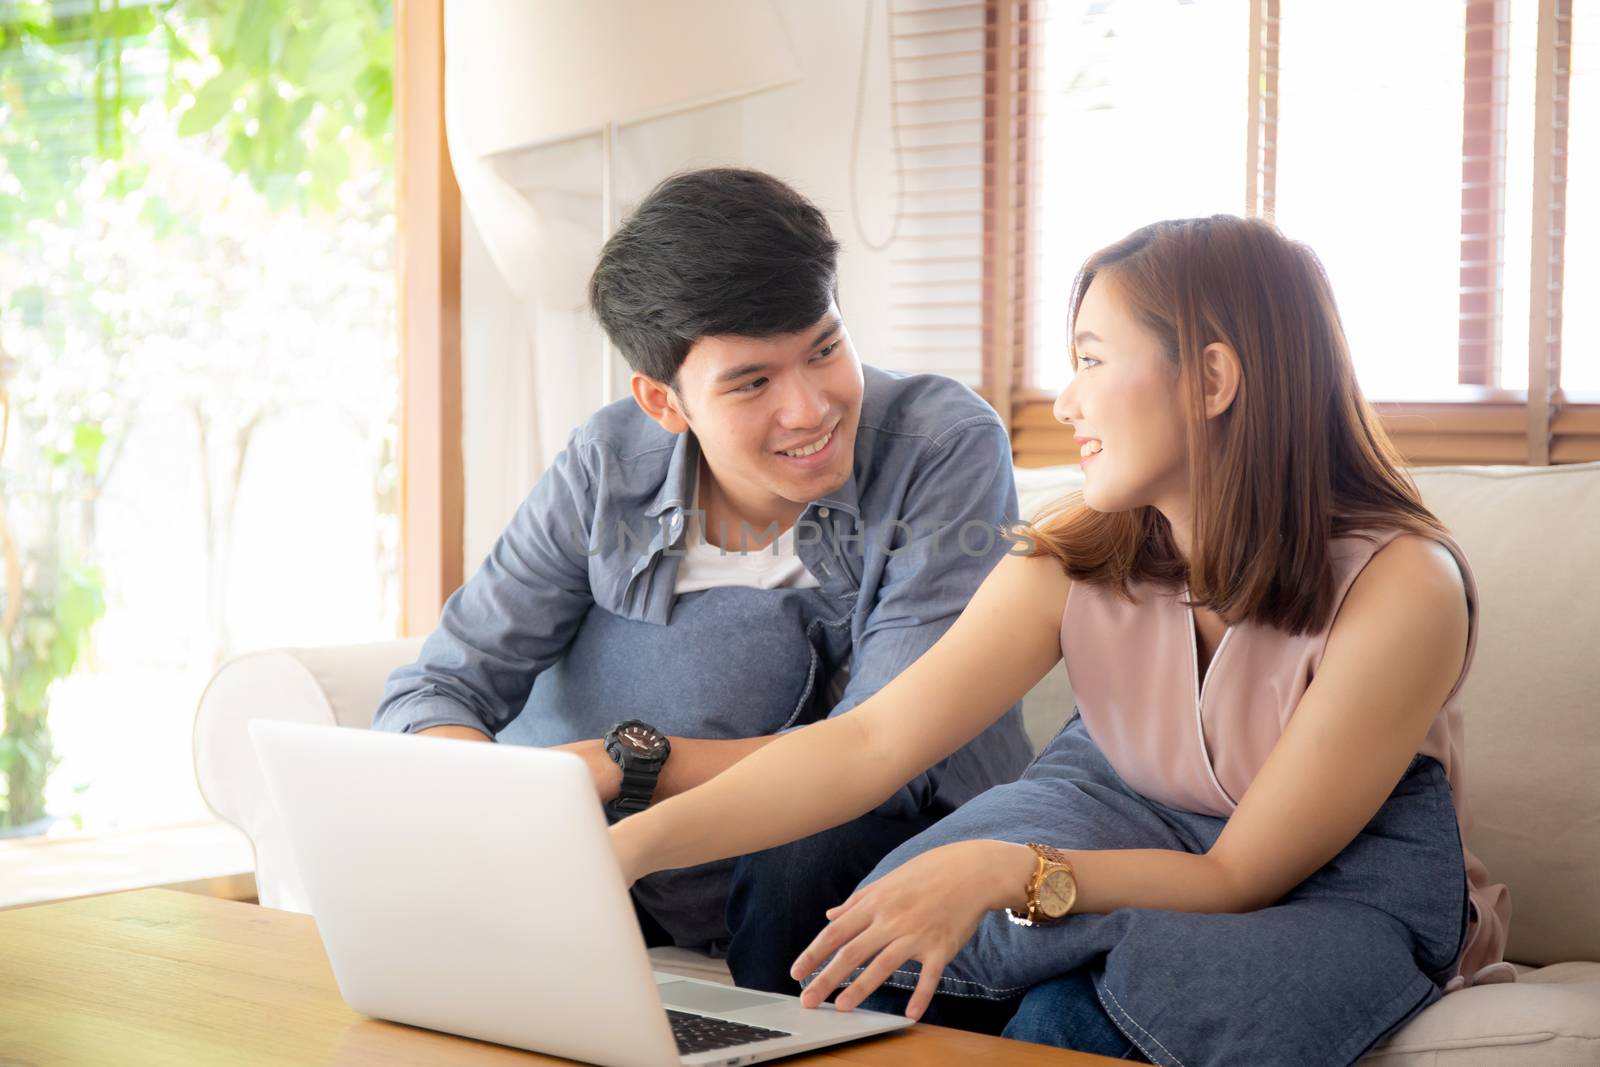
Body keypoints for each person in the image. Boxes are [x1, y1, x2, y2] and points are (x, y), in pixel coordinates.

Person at [610, 215, 1513, 1065]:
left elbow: (1241, 872)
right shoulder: (1079, 551)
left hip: (1335, 881)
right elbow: (868, 742)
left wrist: (1006, 870)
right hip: (1123, 819)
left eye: (1089, 359)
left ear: (1211, 379)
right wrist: (631, 846)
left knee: (1066, 1019)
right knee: (881, 951)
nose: (1065, 397)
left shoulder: (1403, 588)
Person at [372, 167, 1034, 994]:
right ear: (664, 401)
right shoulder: (607, 465)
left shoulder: (941, 447)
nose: (810, 408)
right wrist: (515, 803)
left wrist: (624, 766)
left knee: (810, 854)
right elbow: (437, 689)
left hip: (844, 846)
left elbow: (882, 748)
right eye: (752, 381)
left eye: (825, 348)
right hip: (624, 864)